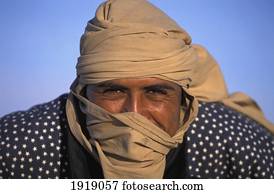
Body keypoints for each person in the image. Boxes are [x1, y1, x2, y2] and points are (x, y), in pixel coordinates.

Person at [0, 0, 274, 179]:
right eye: (113, 91)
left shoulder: (237, 146)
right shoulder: (17, 148)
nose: (134, 113)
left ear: (184, 100)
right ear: (83, 93)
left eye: (156, 92)